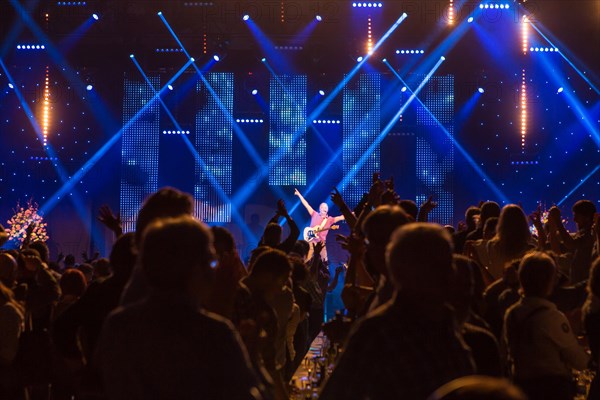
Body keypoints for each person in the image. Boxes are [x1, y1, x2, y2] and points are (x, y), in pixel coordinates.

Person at [97, 216, 262, 400]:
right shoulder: (216, 332)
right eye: (212, 262)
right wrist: (252, 356)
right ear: (196, 269)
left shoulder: (118, 324)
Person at [320, 223, 475, 400]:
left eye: (448, 263)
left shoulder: (452, 326)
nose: (450, 272)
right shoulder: (379, 333)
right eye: (438, 265)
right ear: (407, 270)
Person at [503, 252, 589, 400]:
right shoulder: (551, 317)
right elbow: (579, 360)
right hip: (551, 389)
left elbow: (504, 352)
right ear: (548, 280)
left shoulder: (512, 313)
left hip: (521, 387)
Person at [294, 188, 345, 262]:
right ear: (320, 209)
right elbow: (306, 204)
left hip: (321, 243)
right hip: (311, 241)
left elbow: (340, 217)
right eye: (323, 207)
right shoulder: (314, 214)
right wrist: (299, 195)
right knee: (307, 259)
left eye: (326, 207)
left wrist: (350, 214)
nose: (325, 208)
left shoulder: (330, 219)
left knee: (324, 261)